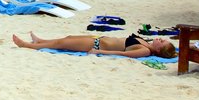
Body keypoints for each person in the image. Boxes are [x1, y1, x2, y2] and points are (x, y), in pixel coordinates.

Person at [12, 32, 175, 59]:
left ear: (159, 49)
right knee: (66, 38)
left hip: (95, 43)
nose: (160, 38)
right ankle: (40, 41)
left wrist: (97, 51)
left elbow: (122, 54)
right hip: (98, 38)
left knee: (62, 44)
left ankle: (26, 45)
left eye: (162, 41)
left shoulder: (144, 51)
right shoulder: (146, 42)